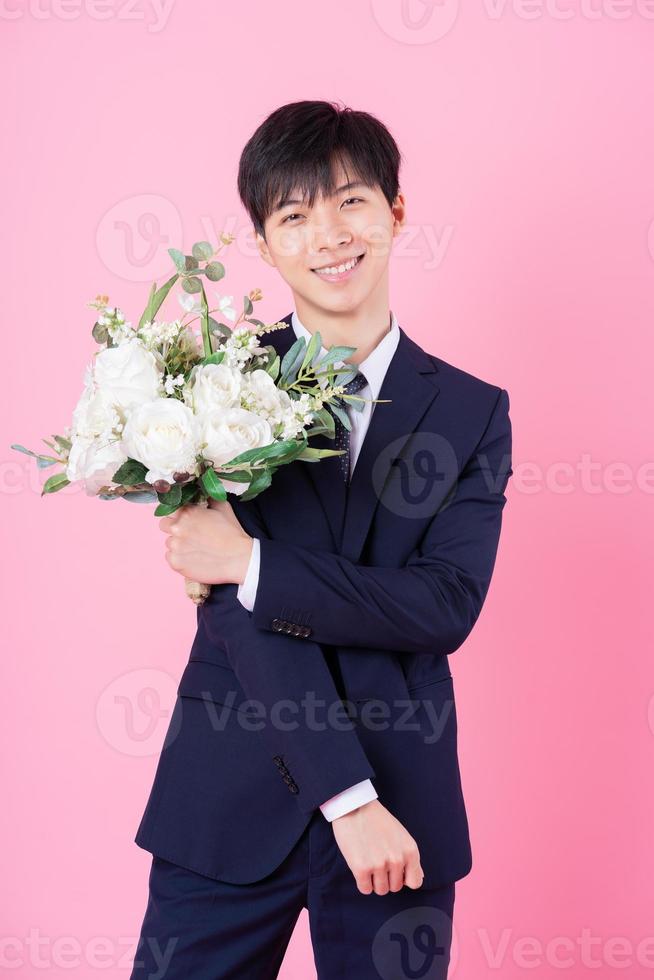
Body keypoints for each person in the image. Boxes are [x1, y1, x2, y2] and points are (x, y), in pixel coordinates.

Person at [130, 99, 513, 979]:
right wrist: (350, 799)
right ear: (264, 244)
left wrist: (251, 562)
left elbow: (442, 606)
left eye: (350, 202)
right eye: (294, 215)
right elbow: (241, 621)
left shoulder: (471, 410)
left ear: (396, 212)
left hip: (404, 814)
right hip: (226, 798)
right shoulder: (213, 387)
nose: (329, 235)